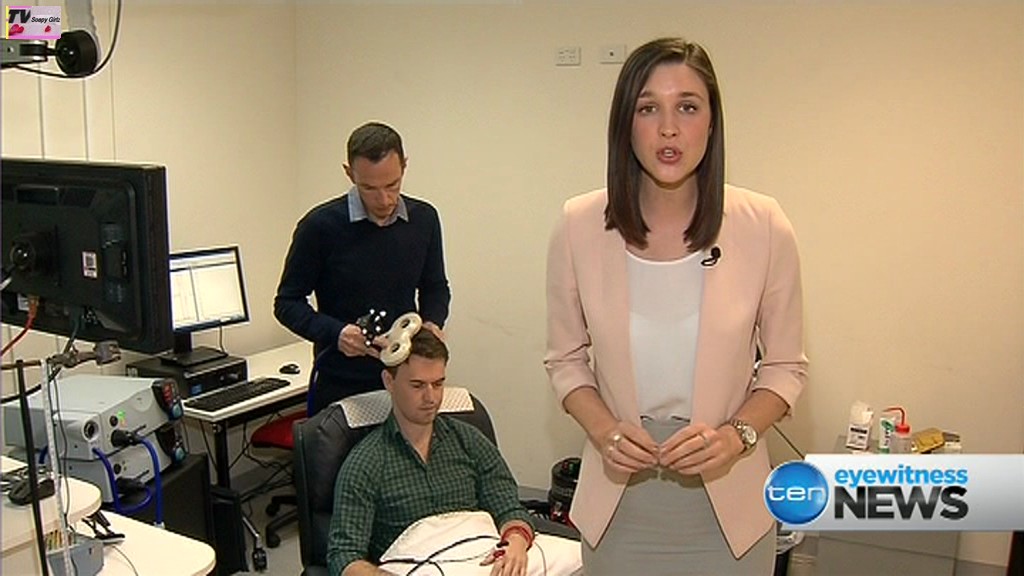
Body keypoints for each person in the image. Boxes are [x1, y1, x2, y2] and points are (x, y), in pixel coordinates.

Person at [544, 37, 808, 574]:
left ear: (712, 122)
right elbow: (565, 360)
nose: (669, 129)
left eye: (687, 107)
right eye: (648, 109)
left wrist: (737, 436)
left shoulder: (763, 225)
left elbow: (785, 367)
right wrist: (605, 430)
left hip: (730, 510)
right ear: (625, 124)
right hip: (619, 504)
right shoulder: (578, 225)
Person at [274, 121, 451, 415]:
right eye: (369, 188)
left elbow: (435, 286)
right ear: (349, 173)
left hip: (404, 379)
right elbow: (287, 303)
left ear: (404, 166)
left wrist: (432, 323)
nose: (384, 200)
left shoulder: (424, 219)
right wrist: (337, 333)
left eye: (392, 185)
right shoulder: (319, 227)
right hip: (342, 382)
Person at [327, 329, 536, 576]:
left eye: (438, 384)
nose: (431, 398)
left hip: (482, 559)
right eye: (417, 385)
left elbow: (509, 507)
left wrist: (516, 543)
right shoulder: (366, 463)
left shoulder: (469, 441)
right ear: (389, 382)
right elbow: (344, 555)